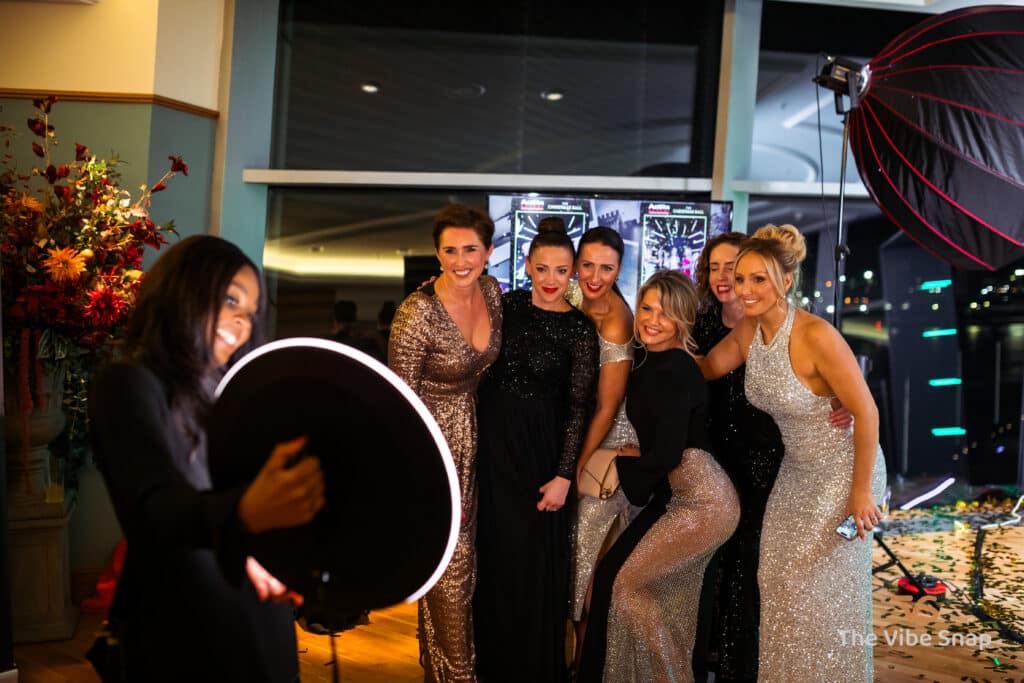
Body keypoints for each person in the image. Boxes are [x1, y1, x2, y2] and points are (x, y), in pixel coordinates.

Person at [88, 235, 326, 682]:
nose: (241, 320)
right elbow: (153, 508)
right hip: (182, 628)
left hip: (255, 619)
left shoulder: (230, 399)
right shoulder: (128, 383)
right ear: (184, 289)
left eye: (251, 312)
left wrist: (268, 551)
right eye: (231, 299)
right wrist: (245, 515)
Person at [698, 224, 886, 683]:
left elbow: (867, 412)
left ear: (786, 280)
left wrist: (861, 493)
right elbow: (704, 368)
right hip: (798, 471)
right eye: (740, 279)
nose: (745, 290)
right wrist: (654, 343)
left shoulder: (816, 336)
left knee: (819, 592)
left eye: (757, 279)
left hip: (845, 473)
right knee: (776, 582)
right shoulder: (747, 331)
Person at [578, 270, 739, 682]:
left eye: (665, 314)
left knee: (623, 585)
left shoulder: (672, 369)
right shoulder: (659, 362)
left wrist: (620, 460)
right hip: (682, 495)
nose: (652, 320)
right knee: (622, 582)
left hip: (703, 502)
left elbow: (667, 453)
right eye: (647, 308)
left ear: (682, 320)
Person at [473, 221, 598, 682]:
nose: (550, 279)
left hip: (542, 456)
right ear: (526, 265)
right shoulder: (504, 307)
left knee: (532, 566)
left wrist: (565, 474)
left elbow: (578, 409)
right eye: (541, 267)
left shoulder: (580, 331)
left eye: (561, 270)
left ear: (572, 274)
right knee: (495, 561)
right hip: (492, 450)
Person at [389, 203, 503, 682]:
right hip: (433, 453)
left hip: (480, 443)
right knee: (452, 574)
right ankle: (460, 677)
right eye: (450, 250)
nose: (461, 260)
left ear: (489, 252)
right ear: (437, 254)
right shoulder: (416, 314)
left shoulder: (493, 292)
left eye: (470, 250)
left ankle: (440, 673)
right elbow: (397, 406)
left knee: (470, 573)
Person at [569, 227, 641, 656]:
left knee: (587, 557)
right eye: (588, 265)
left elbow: (607, 407)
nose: (595, 276)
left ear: (619, 270)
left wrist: (574, 466)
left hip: (608, 438)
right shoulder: (568, 296)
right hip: (578, 433)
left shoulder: (618, 321)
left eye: (607, 268)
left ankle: (586, 658)